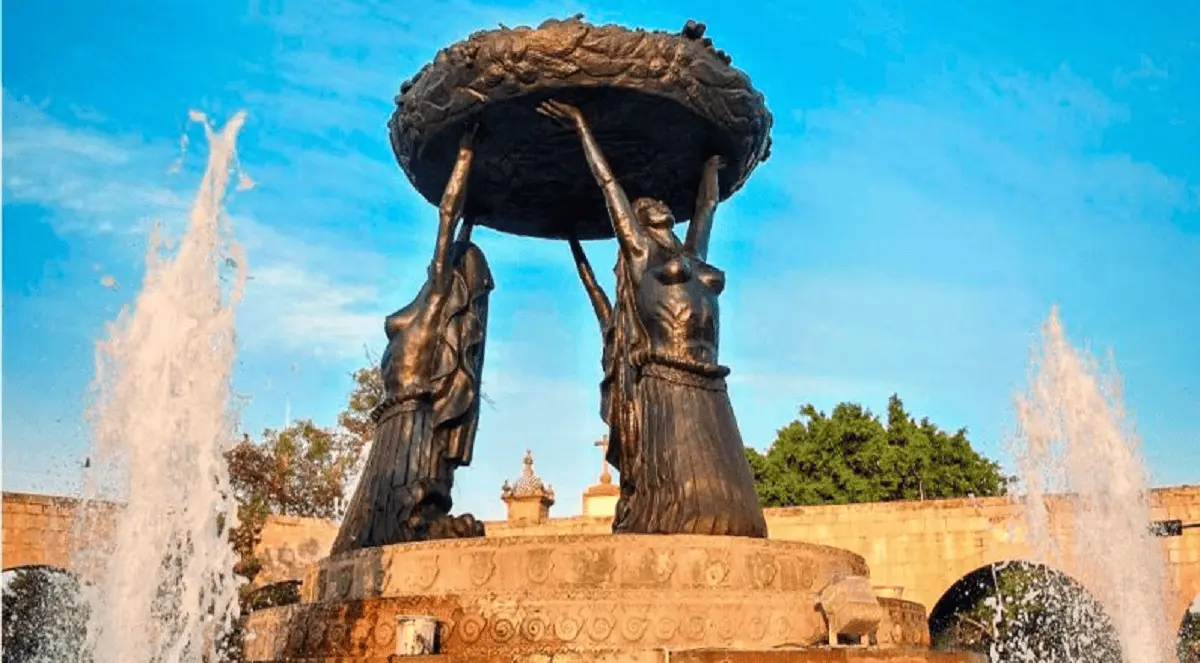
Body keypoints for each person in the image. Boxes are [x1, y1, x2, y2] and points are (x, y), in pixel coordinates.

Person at [544, 99, 768, 538]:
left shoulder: (691, 254)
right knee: (681, 501)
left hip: (709, 381)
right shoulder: (641, 254)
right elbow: (609, 185)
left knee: (730, 506)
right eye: (646, 205)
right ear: (639, 221)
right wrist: (580, 124)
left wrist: (711, 164)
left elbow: (707, 208)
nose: (658, 203)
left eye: (658, 201)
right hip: (667, 378)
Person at [331, 126, 493, 554]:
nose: (442, 256)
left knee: (402, 511)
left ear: (457, 273)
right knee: (376, 525)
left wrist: (465, 155)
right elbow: (458, 229)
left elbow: (446, 221)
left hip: (412, 421)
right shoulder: (428, 301)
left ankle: (417, 521)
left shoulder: (439, 295)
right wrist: (473, 213)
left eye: (453, 257)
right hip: (395, 422)